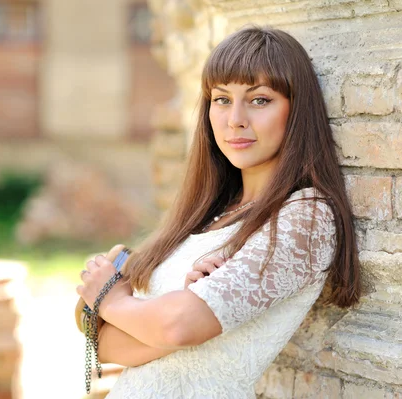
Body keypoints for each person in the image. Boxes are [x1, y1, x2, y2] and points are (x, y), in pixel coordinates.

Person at [76, 26, 361, 398]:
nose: (235, 119)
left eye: (259, 100)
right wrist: (164, 317)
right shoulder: (211, 212)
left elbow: (173, 326)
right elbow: (96, 333)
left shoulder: (305, 216)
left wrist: (114, 301)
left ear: (296, 110)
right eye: (222, 99)